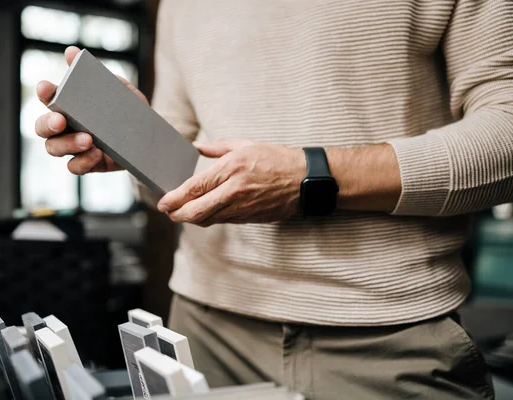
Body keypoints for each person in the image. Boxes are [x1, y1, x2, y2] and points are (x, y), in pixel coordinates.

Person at [35, 1, 513, 398]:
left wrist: (311, 177)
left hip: (386, 336)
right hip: (204, 326)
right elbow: (176, 179)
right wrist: (135, 148)